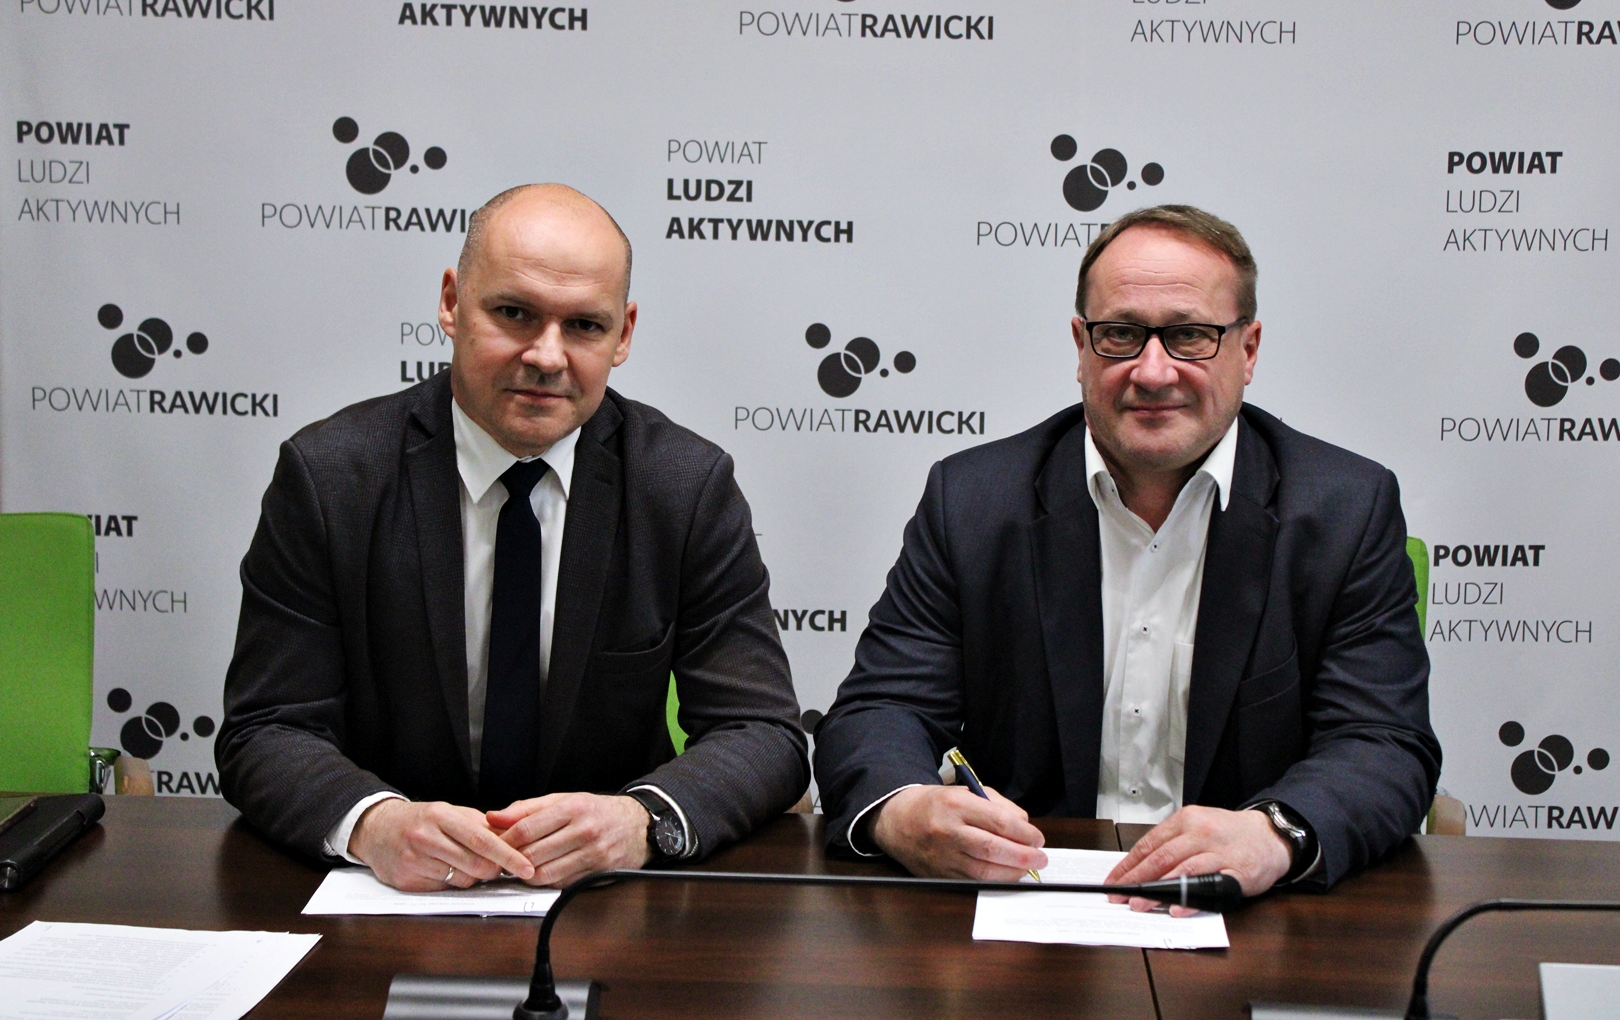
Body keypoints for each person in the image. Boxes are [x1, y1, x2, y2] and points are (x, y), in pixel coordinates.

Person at [814, 204, 1439, 909]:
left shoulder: (1346, 510)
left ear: (1249, 350)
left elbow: (1382, 742)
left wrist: (1274, 834)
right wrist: (904, 809)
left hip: (1249, 912)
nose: (1152, 370)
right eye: (1120, 335)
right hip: (1025, 904)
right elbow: (880, 710)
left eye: (1190, 336)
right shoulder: (973, 502)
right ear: (1081, 347)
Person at [218, 184, 808, 891]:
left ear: (623, 335)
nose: (547, 356)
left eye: (584, 326)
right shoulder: (331, 478)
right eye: (514, 313)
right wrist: (373, 824)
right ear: (451, 303)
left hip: (603, 904)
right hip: (384, 896)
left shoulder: (683, 488)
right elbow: (267, 728)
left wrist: (640, 820)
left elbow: (763, 733)